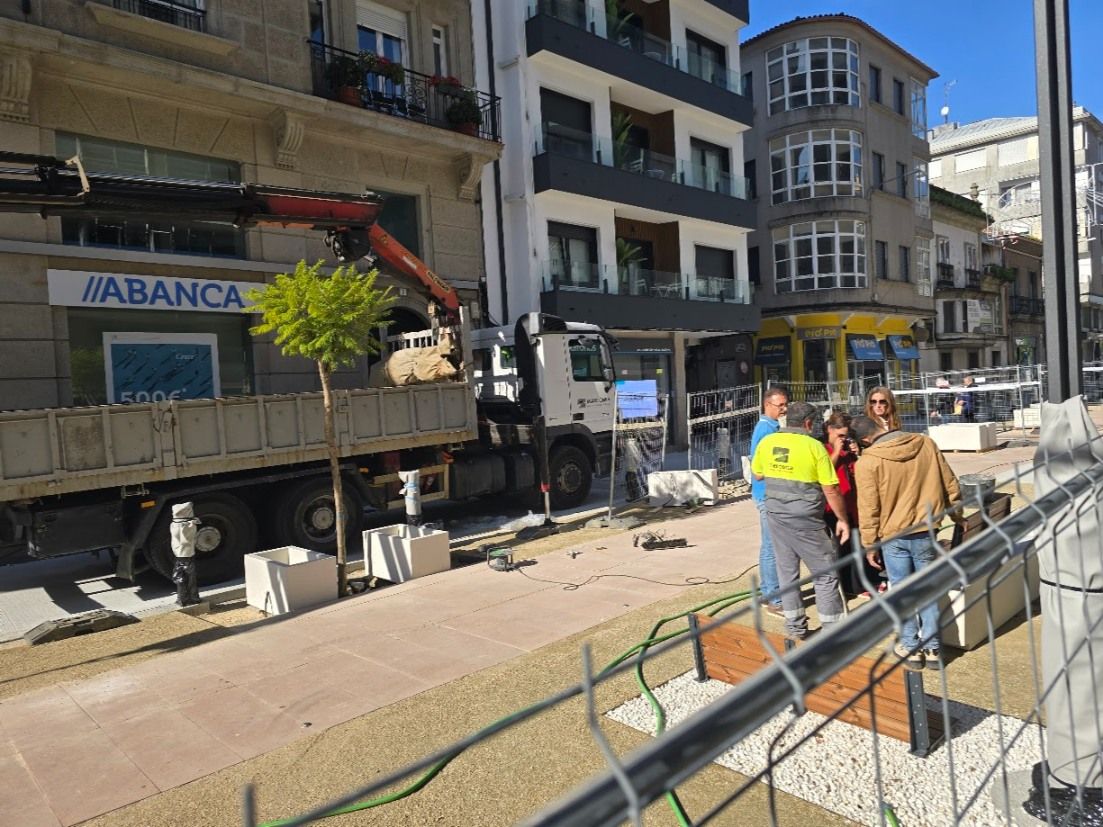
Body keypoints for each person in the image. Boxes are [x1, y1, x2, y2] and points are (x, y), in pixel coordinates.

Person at [851, 414, 963, 671]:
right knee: (928, 588)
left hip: (893, 534)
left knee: (901, 590)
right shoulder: (926, 444)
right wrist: (957, 514)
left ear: (865, 440)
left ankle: (910, 645)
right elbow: (950, 483)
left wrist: (869, 543)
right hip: (926, 529)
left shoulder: (867, 462)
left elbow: (868, 507)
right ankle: (933, 648)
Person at [752, 400, 850, 641]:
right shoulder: (814, 447)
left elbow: (758, 474)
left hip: (776, 515)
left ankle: (795, 628)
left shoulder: (768, 442)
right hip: (806, 519)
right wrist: (842, 519)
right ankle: (832, 632)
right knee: (825, 574)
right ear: (808, 423)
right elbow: (830, 489)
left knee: (787, 574)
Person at [749, 386, 789, 615]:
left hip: (772, 494)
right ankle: (773, 596)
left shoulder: (773, 427)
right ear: (767, 405)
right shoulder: (765, 429)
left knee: (773, 545)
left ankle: (771, 591)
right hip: (766, 495)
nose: (784, 409)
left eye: (785, 404)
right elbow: (758, 469)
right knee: (771, 546)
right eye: (779, 405)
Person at [822, 412, 870, 597]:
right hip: (833, 507)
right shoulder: (823, 449)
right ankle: (845, 587)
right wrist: (836, 451)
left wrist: (857, 454)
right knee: (840, 549)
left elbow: (856, 471)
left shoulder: (846, 450)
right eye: (840, 435)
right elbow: (826, 470)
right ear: (830, 430)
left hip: (851, 504)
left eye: (846, 436)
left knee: (854, 545)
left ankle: (856, 585)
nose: (843, 439)